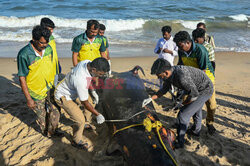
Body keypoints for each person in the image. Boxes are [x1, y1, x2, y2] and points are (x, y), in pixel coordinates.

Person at [142, 59, 214, 148]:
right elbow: (164, 90)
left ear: (166, 72)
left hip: (205, 89)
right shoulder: (168, 75)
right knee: (195, 109)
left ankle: (180, 142)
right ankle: (196, 131)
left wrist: (183, 104)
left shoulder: (181, 76)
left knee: (183, 115)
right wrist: (151, 98)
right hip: (195, 87)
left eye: (159, 75)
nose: (158, 78)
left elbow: (194, 95)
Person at [54, 57, 109, 151]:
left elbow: (89, 78)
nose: (100, 76)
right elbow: (84, 102)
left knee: (92, 102)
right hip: (63, 96)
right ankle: (76, 140)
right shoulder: (80, 79)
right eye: (99, 74)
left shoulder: (87, 62)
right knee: (80, 120)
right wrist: (98, 114)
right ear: (94, 70)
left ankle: (86, 123)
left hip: (73, 90)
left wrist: (93, 91)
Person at [17, 25, 61, 137]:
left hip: (50, 87)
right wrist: (28, 99)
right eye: (42, 43)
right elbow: (22, 77)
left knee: (56, 111)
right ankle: (47, 133)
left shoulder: (49, 49)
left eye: (47, 42)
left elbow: (51, 66)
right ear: (34, 39)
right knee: (42, 117)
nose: (45, 45)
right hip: (35, 91)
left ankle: (53, 131)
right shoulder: (24, 54)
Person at [173, 31, 217, 135]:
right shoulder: (181, 51)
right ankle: (190, 125)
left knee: (211, 104)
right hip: (190, 78)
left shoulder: (200, 50)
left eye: (180, 45)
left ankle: (210, 123)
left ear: (188, 42)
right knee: (189, 102)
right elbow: (181, 65)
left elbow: (203, 71)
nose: (178, 48)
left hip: (206, 79)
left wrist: (194, 89)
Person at [40, 17, 61, 85]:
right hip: (46, 68)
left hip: (54, 66)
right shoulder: (40, 39)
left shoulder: (51, 37)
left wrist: (57, 62)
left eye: (52, 29)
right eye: (50, 29)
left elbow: (53, 51)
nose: (51, 31)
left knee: (54, 86)